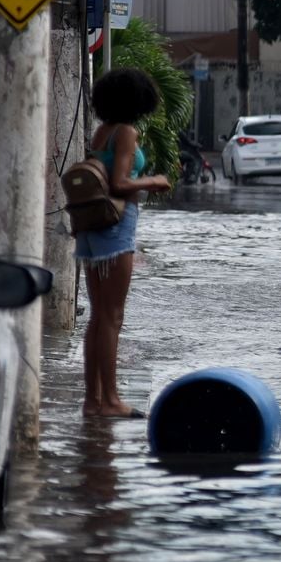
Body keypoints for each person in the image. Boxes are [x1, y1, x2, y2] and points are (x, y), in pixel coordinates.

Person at [75, 69, 171, 418]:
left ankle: (92, 400)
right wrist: (154, 181)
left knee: (98, 318)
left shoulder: (102, 132)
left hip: (92, 228)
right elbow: (119, 183)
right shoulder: (126, 132)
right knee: (112, 317)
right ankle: (112, 400)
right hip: (116, 228)